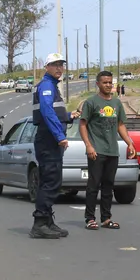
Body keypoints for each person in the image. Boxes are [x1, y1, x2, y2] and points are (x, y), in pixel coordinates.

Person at [29, 52, 80, 239]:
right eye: (55, 64)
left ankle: (48, 220)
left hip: (50, 138)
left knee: (52, 180)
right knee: (50, 181)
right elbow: (47, 111)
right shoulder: (47, 86)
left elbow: (53, 112)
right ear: (47, 67)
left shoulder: (52, 86)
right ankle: (40, 223)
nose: (59, 68)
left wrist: (68, 116)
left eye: (61, 65)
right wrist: (60, 136)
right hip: (48, 139)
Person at [79, 71, 137, 230]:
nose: (108, 85)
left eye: (110, 82)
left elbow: (120, 125)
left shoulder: (117, 103)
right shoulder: (91, 102)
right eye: (105, 82)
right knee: (93, 185)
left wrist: (130, 143)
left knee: (108, 185)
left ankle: (106, 218)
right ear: (98, 84)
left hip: (112, 151)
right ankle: (90, 218)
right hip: (96, 151)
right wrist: (88, 145)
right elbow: (83, 124)